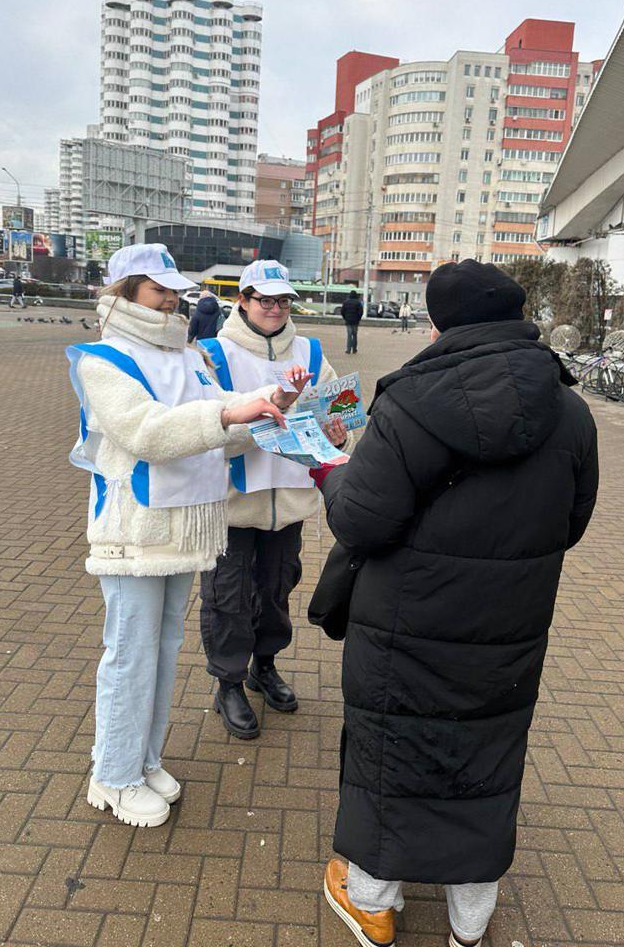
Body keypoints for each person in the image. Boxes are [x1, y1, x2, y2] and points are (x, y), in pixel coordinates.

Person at [311, 260, 599, 947]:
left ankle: (373, 906)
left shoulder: (408, 402)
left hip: (405, 624)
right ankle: (470, 923)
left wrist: (327, 471)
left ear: (437, 323)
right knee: (485, 760)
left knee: (390, 752)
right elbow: (573, 524)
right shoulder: (572, 410)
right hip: (509, 630)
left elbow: (361, 523)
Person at [66, 244, 311, 830]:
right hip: (135, 530)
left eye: (175, 289)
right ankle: (115, 775)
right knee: (130, 656)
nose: (171, 299)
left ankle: (143, 760)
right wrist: (231, 415)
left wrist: (267, 405)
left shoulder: (185, 355)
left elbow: (218, 416)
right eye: (158, 290)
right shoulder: (102, 359)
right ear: (125, 292)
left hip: (183, 526)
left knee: (162, 650)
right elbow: (147, 431)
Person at [199, 260, 348, 739]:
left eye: (283, 300)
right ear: (242, 300)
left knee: (277, 588)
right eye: (265, 300)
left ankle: (265, 666)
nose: (276, 309)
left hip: (289, 497)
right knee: (228, 597)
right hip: (232, 500)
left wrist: (337, 433)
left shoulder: (310, 349)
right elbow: (205, 430)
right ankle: (229, 683)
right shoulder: (212, 353)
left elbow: (331, 414)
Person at [340, 289, 364, 354]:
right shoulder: (358, 303)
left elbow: (342, 311)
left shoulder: (346, 302)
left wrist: (345, 318)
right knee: (355, 335)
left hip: (348, 321)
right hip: (355, 322)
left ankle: (348, 350)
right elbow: (361, 312)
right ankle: (354, 349)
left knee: (349, 335)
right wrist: (358, 318)